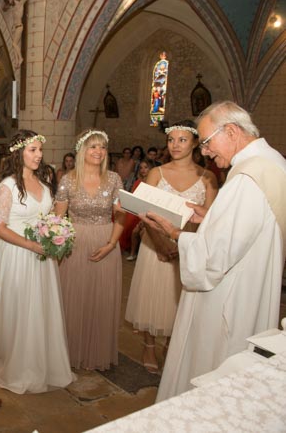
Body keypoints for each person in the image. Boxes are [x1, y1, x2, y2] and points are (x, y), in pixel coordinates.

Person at [141, 101, 286, 401]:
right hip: (253, 285)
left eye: (206, 142)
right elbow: (250, 228)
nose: (205, 152)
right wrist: (211, 218)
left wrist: (175, 234)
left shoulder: (246, 177)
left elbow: (212, 258)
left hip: (229, 298)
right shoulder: (272, 163)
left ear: (231, 132)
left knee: (210, 371)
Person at [125, 121, 218, 374]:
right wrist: (161, 244)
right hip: (154, 244)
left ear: (195, 143)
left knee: (178, 300)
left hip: (188, 246)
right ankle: (148, 346)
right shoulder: (157, 173)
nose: (175, 145)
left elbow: (211, 219)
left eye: (182, 140)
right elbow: (143, 212)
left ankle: (171, 344)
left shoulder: (208, 177)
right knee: (152, 296)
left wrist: (185, 245)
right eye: (171, 140)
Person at [0, 130, 74, 394]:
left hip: (41, 257)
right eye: (33, 150)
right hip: (15, 255)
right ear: (19, 153)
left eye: (40, 150)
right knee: (19, 309)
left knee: (40, 308)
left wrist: (56, 235)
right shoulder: (7, 186)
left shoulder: (44, 182)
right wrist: (32, 245)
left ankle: (42, 363)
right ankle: (18, 367)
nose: (39, 155)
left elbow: (49, 218)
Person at [54, 129, 125, 371]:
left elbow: (121, 216)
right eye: (93, 146)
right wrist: (56, 245)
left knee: (102, 299)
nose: (99, 151)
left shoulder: (114, 179)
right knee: (74, 299)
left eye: (103, 147)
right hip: (75, 244)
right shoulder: (68, 180)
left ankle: (98, 352)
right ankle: (71, 351)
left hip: (106, 241)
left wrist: (111, 244)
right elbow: (58, 219)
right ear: (82, 150)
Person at [119, 158, 153, 259]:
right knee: (121, 216)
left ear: (151, 168)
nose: (143, 170)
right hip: (136, 208)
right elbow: (133, 196)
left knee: (131, 224)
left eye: (146, 167)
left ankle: (132, 251)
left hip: (147, 210)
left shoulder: (153, 182)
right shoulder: (138, 181)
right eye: (141, 168)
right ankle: (127, 249)